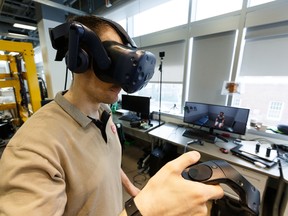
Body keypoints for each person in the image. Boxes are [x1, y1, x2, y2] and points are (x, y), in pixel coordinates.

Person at [0, 15, 223, 216]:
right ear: (80, 58)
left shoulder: (103, 114)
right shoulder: (33, 150)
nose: (123, 80)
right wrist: (148, 211)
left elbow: (100, 160)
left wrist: (118, 178)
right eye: (116, 61)